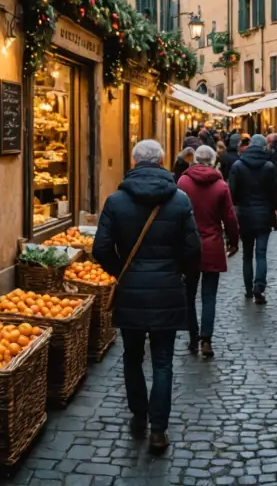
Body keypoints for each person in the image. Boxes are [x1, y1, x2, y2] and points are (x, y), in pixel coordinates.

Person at [93, 140, 201, 455]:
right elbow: (193, 249)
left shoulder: (115, 201)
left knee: (132, 356)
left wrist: (121, 273)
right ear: (163, 161)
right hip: (167, 289)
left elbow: (100, 248)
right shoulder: (180, 201)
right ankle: (159, 430)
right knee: (164, 361)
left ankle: (139, 416)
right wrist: (178, 273)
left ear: (133, 161)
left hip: (131, 292)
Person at [177, 145, 239, 357]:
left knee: (189, 294)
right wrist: (233, 241)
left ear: (194, 159)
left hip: (187, 245)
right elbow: (229, 217)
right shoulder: (221, 185)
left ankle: (193, 337)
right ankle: (206, 338)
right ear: (213, 161)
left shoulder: (183, 182)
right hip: (212, 244)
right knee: (209, 295)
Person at [228, 134, 277, 304]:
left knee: (247, 254)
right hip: (264, 214)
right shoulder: (269, 166)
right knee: (261, 253)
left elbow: (232, 193)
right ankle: (259, 286)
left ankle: (249, 289)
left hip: (245, 215)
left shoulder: (238, 166)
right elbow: (274, 192)